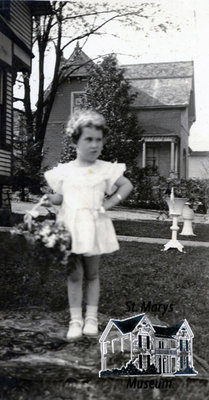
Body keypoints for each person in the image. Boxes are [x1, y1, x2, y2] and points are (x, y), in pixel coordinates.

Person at [43, 110, 133, 340]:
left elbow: (126, 186)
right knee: (74, 275)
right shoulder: (64, 171)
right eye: (88, 139)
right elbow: (62, 198)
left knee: (92, 274)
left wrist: (111, 202)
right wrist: (52, 199)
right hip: (70, 227)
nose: (94, 145)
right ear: (75, 141)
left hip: (94, 225)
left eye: (98, 140)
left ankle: (91, 318)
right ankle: (75, 320)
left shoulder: (105, 169)